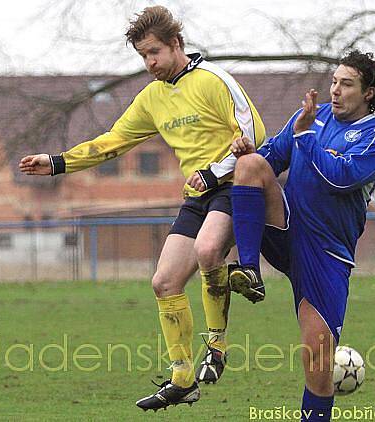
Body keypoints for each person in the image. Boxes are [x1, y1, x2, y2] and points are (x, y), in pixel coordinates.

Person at [18, 5, 266, 411]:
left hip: (233, 185)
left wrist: (213, 168)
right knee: (163, 282)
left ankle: (216, 347)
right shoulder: (152, 97)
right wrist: (58, 162)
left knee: (207, 252)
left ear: (176, 45)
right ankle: (183, 379)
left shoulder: (214, 80)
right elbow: (113, 141)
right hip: (197, 195)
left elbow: (255, 131)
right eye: (142, 56)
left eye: (154, 53)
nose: (149, 63)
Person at [228, 50, 375, 421]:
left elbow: (339, 178)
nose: (335, 90)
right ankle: (248, 269)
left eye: (346, 84)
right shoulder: (310, 118)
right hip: (287, 228)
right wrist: (247, 150)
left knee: (317, 360)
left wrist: (304, 135)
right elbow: (269, 161)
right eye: (334, 81)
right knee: (251, 165)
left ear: (368, 93)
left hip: (327, 254)